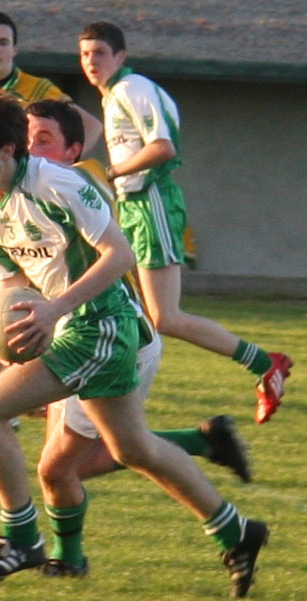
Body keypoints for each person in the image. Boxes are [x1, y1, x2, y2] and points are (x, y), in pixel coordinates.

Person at [0, 89, 268, 599]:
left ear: (8, 151)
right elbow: (6, 285)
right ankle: (236, 531)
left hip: (104, 324)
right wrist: (7, 334)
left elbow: (119, 255)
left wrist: (52, 309)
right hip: (74, 328)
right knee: (133, 448)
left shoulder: (57, 183)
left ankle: (23, 537)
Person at [24, 99, 251, 576]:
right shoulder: (25, 190)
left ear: (72, 151)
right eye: (25, 137)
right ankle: (210, 464)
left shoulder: (72, 183)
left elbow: (116, 255)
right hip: (83, 336)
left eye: (43, 139)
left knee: (74, 464)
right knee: (93, 459)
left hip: (106, 337)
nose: (30, 147)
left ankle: (54, 552)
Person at [78, 21, 292, 425]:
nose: (91, 61)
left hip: (151, 201)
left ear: (120, 57)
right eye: (85, 54)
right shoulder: (116, 95)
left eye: (100, 53)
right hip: (134, 205)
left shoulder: (131, 88)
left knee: (163, 317)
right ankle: (93, 391)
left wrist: (114, 171)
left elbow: (163, 147)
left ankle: (266, 363)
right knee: (125, 305)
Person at [0, 10, 102, 213]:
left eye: (3, 42)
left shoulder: (39, 88)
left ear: (14, 49)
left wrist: (64, 163)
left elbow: (93, 126)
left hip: (26, 195)